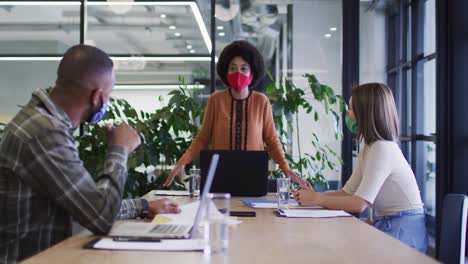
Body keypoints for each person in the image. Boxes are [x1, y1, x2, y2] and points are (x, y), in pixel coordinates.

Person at [0, 45, 181, 263]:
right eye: (109, 93)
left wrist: (142, 206)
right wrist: (119, 149)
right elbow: (100, 217)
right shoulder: (44, 132)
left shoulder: (46, 123)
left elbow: (85, 203)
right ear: (97, 97)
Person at [294, 83, 428, 253]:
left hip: (403, 233)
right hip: (389, 224)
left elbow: (358, 204)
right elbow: (348, 192)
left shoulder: (382, 148)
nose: (348, 114)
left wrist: (316, 199)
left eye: (351, 109)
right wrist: (315, 195)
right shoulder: (369, 146)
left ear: (365, 114)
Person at [164, 40, 310, 188]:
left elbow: (272, 140)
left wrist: (286, 169)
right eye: (233, 68)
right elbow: (203, 138)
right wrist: (183, 161)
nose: (238, 73)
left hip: (254, 176)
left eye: (243, 68)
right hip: (219, 176)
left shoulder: (261, 101)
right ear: (226, 72)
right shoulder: (216, 100)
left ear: (252, 73)